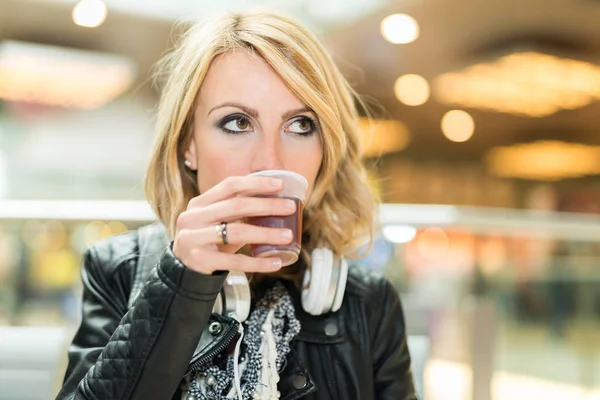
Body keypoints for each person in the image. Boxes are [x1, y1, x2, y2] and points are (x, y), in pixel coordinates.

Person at [57, 11, 416, 400]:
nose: (270, 161)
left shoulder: (369, 303)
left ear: (325, 149)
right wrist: (181, 283)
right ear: (187, 145)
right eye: (238, 122)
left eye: (300, 125)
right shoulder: (118, 270)